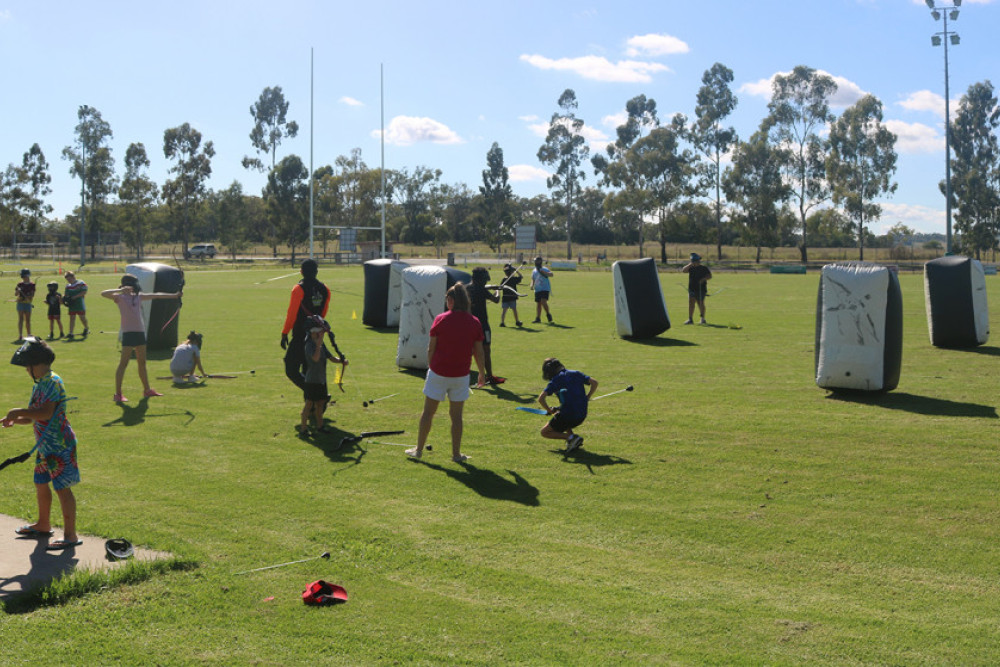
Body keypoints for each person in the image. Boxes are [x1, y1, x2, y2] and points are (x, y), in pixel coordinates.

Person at [3, 337, 82, 550]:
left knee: (62, 489)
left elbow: (46, 412)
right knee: (40, 483)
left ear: (36, 364)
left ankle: (70, 535)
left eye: (27, 367)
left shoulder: (53, 381)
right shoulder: (40, 384)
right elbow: (33, 417)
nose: (27, 372)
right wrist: (15, 419)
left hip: (59, 446)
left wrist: (17, 411)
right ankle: (44, 524)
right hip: (45, 447)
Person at [406, 283, 486, 463]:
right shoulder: (474, 322)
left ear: (451, 300)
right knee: (456, 417)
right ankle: (456, 455)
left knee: (428, 413)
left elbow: (431, 348)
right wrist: (481, 373)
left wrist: (430, 366)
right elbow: (479, 352)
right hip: (461, 375)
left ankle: (418, 450)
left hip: (439, 373)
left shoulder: (441, 319)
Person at [101, 273, 182, 403]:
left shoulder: (138, 297)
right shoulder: (119, 297)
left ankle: (147, 390)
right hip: (129, 334)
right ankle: (118, 394)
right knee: (123, 363)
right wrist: (121, 290)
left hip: (140, 333)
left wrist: (175, 295)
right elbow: (103, 293)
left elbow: (156, 295)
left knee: (142, 363)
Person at [280, 259, 330, 391]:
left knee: (291, 369)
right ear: (317, 272)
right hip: (317, 335)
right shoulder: (325, 289)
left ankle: (312, 392)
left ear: (301, 272)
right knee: (310, 370)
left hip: (300, 336)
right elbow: (323, 313)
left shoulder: (298, 289)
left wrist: (285, 333)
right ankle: (313, 404)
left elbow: (292, 314)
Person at [537, 357, 598, 453]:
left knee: (544, 432)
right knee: (563, 420)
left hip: (568, 416)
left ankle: (571, 437)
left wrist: (549, 411)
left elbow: (541, 399)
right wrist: (588, 396)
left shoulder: (556, 380)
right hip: (581, 416)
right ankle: (573, 441)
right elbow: (594, 382)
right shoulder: (576, 373)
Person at [298, 317, 345, 435]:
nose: (322, 334)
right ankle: (303, 429)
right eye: (320, 332)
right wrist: (318, 345)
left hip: (321, 380)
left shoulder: (321, 344)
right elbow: (315, 358)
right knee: (309, 405)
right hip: (311, 381)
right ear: (313, 332)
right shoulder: (309, 345)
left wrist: (341, 361)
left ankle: (320, 427)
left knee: (320, 404)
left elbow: (330, 357)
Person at [468, 266, 504, 385]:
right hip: (482, 325)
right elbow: (496, 300)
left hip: (469, 324)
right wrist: (497, 290)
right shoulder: (481, 290)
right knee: (486, 351)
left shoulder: (466, 288)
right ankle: (489, 376)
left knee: (469, 351)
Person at [682, 252, 712, 325]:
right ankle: (690, 319)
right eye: (694, 261)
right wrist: (690, 264)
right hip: (692, 288)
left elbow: (709, 276)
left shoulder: (704, 268)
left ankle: (702, 319)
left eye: (697, 261)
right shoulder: (691, 268)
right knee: (691, 303)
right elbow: (683, 270)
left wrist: (703, 279)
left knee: (700, 303)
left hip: (701, 289)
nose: (696, 263)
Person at [62, 271, 90, 339]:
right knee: (72, 318)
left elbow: (84, 292)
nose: (68, 280)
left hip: (79, 304)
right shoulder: (68, 286)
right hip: (72, 304)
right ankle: (71, 333)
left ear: (73, 277)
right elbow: (66, 295)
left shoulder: (80, 283)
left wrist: (75, 297)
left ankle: (86, 328)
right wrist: (64, 299)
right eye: (67, 279)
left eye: (69, 279)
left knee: (82, 317)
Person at [498, 263, 524, 328]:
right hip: (512, 297)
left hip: (505, 297)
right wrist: (516, 271)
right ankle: (517, 321)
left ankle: (502, 322)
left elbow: (500, 287)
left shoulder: (504, 279)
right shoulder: (513, 279)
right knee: (514, 309)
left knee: (504, 310)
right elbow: (521, 277)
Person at [530, 256, 554, 324]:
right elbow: (533, 279)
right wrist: (532, 285)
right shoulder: (534, 271)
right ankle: (538, 318)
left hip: (545, 288)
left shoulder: (545, 269)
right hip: (537, 289)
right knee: (538, 304)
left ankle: (548, 314)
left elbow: (551, 274)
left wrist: (545, 273)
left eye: (536, 261)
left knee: (543, 302)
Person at [14, 268, 35, 342]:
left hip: (27, 304)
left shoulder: (32, 284)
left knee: (28, 320)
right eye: (23, 277)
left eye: (25, 276)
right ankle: (20, 335)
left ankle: (29, 334)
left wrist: (27, 297)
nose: (24, 278)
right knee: (21, 319)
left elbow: (32, 295)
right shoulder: (19, 284)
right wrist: (18, 291)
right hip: (20, 304)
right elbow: (16, 294)